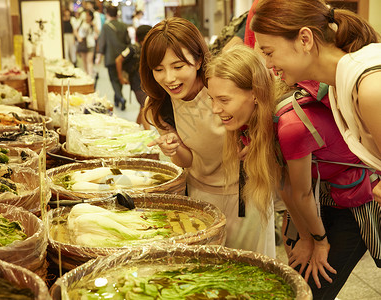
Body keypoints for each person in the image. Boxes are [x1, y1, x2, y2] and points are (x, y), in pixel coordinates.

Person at [207, 44, 381, 299]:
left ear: (255, 94)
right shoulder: (255, 124)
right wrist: (301, 234)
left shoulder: (290, 126)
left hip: (357, 201)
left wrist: (317, 241)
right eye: (211, 98)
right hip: (320, 197)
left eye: (224, 100)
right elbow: (286, 188)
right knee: (296, 284)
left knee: (311, 290)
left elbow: (298, 192)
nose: (215, 109)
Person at [141, 17, 276, 256]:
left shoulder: (221, 83)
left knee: (247, 269)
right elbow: (187, 161)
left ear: (198, 60)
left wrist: (257, 137)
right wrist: (174, 149)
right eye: (159, 69)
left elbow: (267, 106)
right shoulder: (159, 105)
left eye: (178, 66)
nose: (169, 78)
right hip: (200, 194)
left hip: (245, 193)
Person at [250, 0, 381, 204]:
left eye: (269, 53)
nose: (268, 64)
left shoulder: (370, 89)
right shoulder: (337, 86)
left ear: (305, 39)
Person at [115, 25, 152, 129]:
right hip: (136, 83)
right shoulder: (132, 48)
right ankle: (147, 133)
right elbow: (118, 60)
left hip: (144, 83)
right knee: (145, 106)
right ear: (144, 37)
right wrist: (121, 78)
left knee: (143, 107)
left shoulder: (146, 48)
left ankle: (135, 128)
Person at [97, 6, 130, 110]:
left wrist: (99, 56)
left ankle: (120, 98)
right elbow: (128, 42)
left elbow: (102, 43)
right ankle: (117, 100)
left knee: (114, 80)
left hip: (110, 58)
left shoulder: (106, 27)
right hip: (122, 58)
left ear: (107, 14)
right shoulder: (123, 25)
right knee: (119, 77)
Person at [75, 9, 99, 79]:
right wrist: (78, 38)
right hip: (82, 43)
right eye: (86, 15)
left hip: (90, 44)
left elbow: (97, 32)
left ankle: (90, 76)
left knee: (89, 60)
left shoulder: (93, 23)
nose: (87, 17)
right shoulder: (81, 21)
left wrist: (93, 25)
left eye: (89, 15)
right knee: (84, 61)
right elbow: (75, 30)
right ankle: (86, 75)